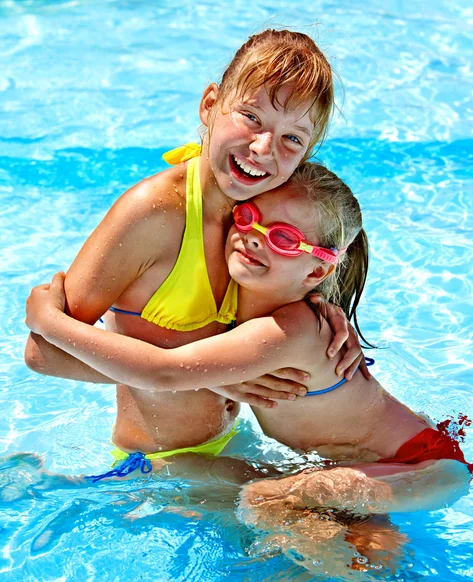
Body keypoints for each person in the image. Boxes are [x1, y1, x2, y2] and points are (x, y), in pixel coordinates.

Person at [25, 161, 472, 511]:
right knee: (337, 531)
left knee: (265, 503)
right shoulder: (251, 303)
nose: (254, 238)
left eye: (281, 237)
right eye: (249, 217)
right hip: (383, 460)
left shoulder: (289, 329)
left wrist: (50, 321)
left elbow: (164, 372)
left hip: (424, 468)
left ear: (317, 270)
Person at [24, 30, 367, 469]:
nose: (263, 149)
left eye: (292, 139)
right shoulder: (154, 214)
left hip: (231, 442)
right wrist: (215, 383)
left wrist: (325, 310)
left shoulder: (260, 214)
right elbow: (44, 352)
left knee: (360, 523)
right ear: (209, 105)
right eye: (251, 117)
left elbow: (309, 264)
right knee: (315, 522)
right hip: (159, 465)